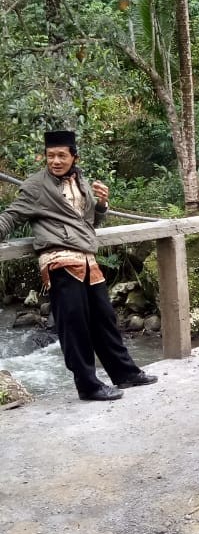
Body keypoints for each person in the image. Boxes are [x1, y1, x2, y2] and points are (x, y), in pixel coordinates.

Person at [0, 129, 157, 402]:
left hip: (87, 259)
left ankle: (125, 373)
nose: (55, 161)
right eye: (51, 156)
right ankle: (88, 386)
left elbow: (90, 223)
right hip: (59, 260)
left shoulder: (82, 183)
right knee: (74, 326)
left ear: (74, 156)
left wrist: (103, 204)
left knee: (105, 319)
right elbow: (11, 217)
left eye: (62, 155)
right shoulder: (36, 186)